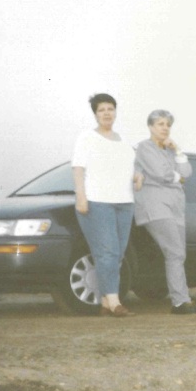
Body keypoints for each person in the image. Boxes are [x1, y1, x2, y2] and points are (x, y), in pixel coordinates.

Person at [72, 93, 140, 317]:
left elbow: (133, 167)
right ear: (95, 114)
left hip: (125, 202)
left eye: (110, 108)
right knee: (107, 252)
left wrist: (138, 175)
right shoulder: (86, 138)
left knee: (117, 254)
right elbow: (78, 169)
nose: (107, 113)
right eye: (102, 109)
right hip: (98, 202)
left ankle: (104, 302)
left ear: (115, 112)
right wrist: (81, 197)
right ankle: (115, 301)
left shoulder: (124, 141)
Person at [134, 110, 196, 315]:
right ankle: (180, 302)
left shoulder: (169, 151)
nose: (165, 128)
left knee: (177, 254)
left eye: (167, 124)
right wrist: (177, 178)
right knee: (175, 252)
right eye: (160, 124)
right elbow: (161, 173)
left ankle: (182, 300)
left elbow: (187, 173)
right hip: (155, 205)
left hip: (176, 207)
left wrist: (178, 151)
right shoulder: (144, 147)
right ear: (150, 127)